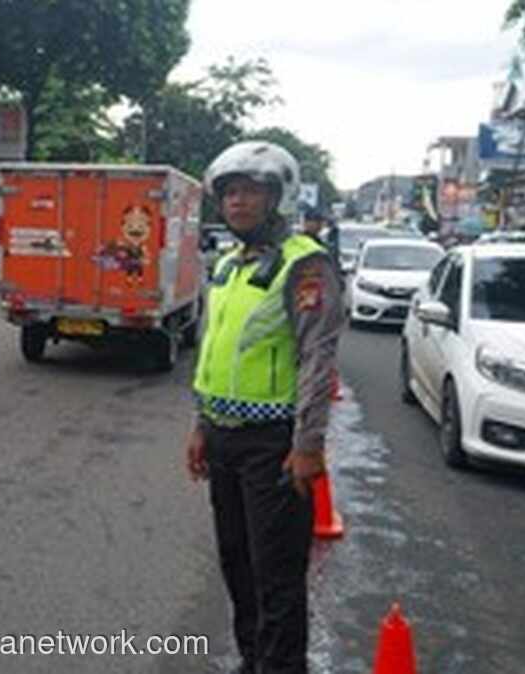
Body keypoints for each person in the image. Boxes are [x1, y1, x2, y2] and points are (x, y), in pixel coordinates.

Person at [186, 141, 344, 674]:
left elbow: (317, 359)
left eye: (250, 192)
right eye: (229, 193)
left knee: (275, 572)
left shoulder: (305, 264)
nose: (237, 203)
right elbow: (216, 350)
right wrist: (201, 426)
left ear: (276, 197)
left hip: (274, 446)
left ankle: (281, 667)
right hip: (225, 438)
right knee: (237, 564)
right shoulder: (230, 265)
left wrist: (308, 446)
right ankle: (253, 660)